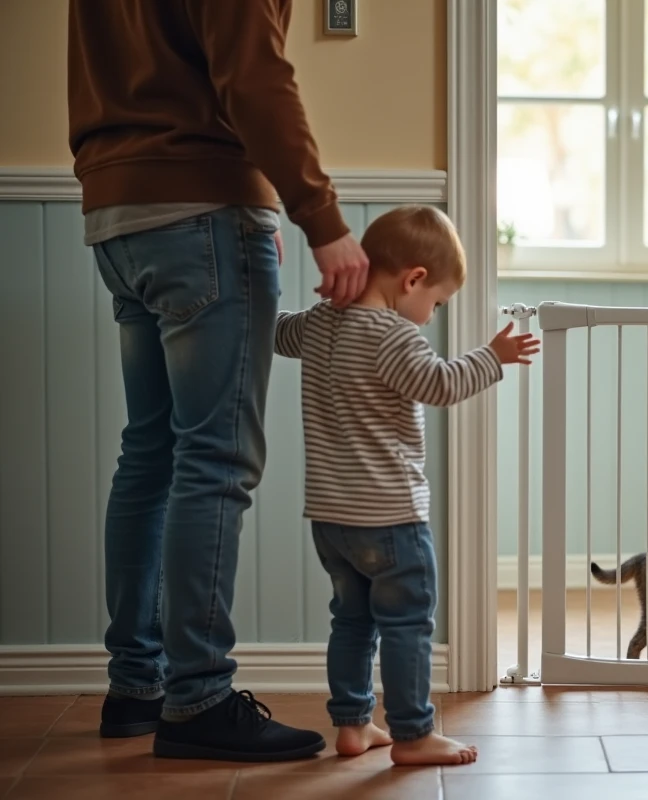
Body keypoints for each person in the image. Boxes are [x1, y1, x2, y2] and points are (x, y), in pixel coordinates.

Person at [67, 0, 369, 761]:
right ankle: (197, 695)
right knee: (213, 459)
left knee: (151, 453)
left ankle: (137, 683)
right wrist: (323, 217)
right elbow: (254, 74)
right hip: (204, 209)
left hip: (117, 212)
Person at [273, 206, 538, 766]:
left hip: (330, 517)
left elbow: (275, 332)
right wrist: (494, 357)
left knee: (351, 620)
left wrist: (263, 278)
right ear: (412, 278)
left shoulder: (320, 322)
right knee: (407, 624)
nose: (431, 316)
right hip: (390, 516)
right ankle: (414, 734)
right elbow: (440, 384)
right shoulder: (393, 334)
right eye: (436, 303)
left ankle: (352, 725)